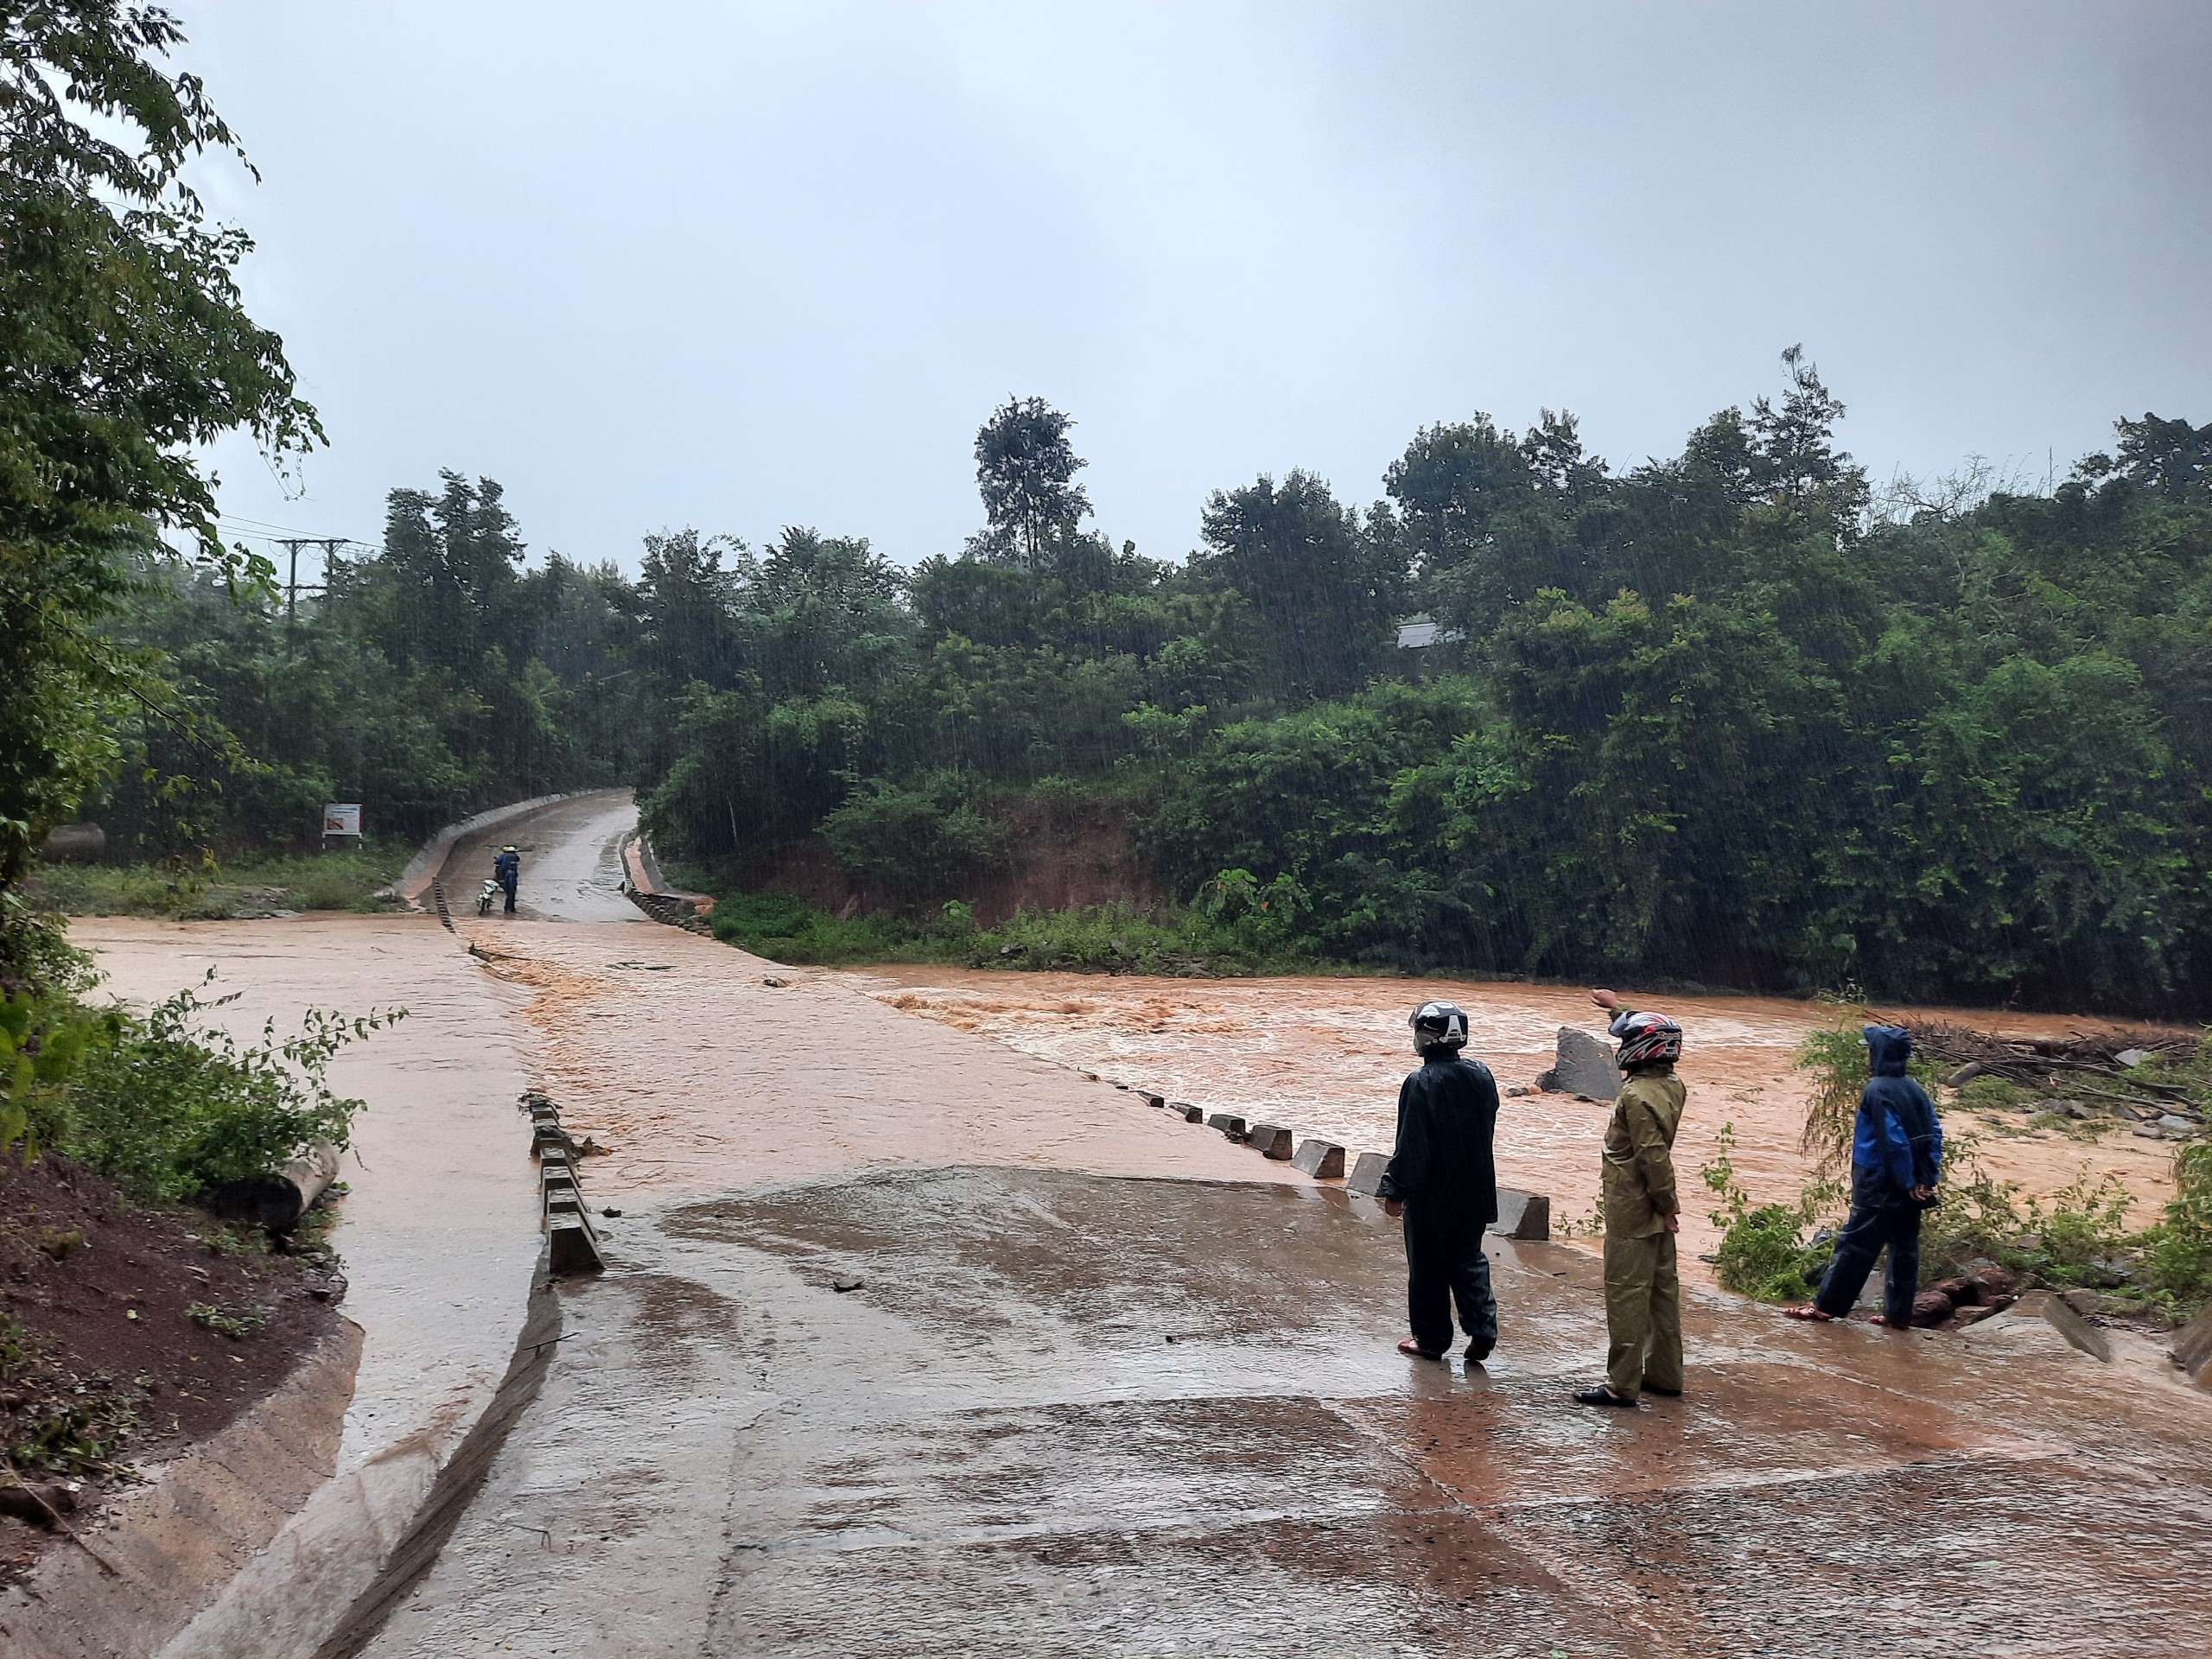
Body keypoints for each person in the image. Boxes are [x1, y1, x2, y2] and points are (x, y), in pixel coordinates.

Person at [1785, 1025, 1943, 1328]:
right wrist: (1925, 1178)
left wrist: (1907, 1181)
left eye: (1869, 1050)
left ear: (1879, 1053)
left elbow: (1892, 1141)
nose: (1867, 1056)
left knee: (1855, 1244)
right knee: (1904, 1248)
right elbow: (1934, 1133)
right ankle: (1898, 1315)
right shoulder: (1915, 1089)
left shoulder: (1876, 1090)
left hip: (1879, 1184)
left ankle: (1824, 1307)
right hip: (1912, 1186)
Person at [1575, 989, 1687, 1409]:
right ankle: (1665, 1374)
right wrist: (1617, 1006)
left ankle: (1621, 1385)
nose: (1622, 1048)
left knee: (1626, 1292)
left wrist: (1666, 1204)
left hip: (1633, 1205)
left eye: (1625, 1042)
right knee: (1662, 1290)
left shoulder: (1637, 1096)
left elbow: (1651, 1156)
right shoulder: (1672, 1085)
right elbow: (1652, 1026)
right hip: (1652, 1205)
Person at [1377, 1001, 1502, 1364]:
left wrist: (1395, 1188)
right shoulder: (1482, 1074)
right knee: (1469, 1260)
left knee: (1429, 1268)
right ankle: (1483, 1330)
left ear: (1426, 1036)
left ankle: (1431, 1340)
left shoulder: (1421, 1082)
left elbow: (1413, 1143)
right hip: (1476, 1190)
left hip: (1433, 1194)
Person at [493, 843, 521, 915]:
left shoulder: (503, 856)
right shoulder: (515, 857)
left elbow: (497, 862)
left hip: (506, 875)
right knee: (512, 892)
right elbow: (518, 859)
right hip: (513, 875)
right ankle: (511, 908)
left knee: (508, 892)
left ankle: (507, 908)